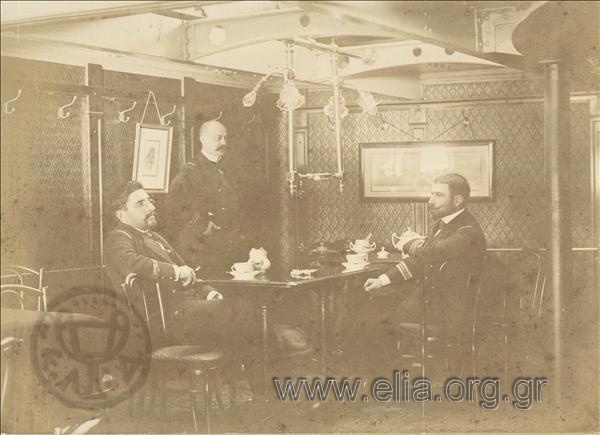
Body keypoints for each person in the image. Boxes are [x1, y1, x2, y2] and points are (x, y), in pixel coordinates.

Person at [363, 173, 486, 376]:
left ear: (457, 200)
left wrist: (407, 244)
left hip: (449, 309)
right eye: (431, 194)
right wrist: (382, 280)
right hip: (432, 300)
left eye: (438, 195)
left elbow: (430, 253)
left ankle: (379, 378)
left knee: (371, 315)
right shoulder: (441, 225)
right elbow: (420, 261)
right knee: (371, 301)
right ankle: (383, 374)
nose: (430, 201)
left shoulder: (468, 231)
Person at [104, 180, 225, 346]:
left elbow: (187, 270)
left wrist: (210, 293)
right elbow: (132, 262)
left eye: (149, 201)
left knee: (242, 312)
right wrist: (174, 272)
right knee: (241, 312)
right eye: (141, 203)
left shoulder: (155, 237)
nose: (151, 207)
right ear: (121, 215)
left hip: (185, 308)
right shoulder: (118, 237)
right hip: (165, 318)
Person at [165, 120, 248, 276]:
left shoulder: (229, 168)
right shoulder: (190, 171)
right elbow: (173, 205)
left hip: (229, 247)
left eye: (225, 138)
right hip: (202, 249)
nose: (224, 142)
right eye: (218, 138)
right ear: (203, 139)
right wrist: (203, 225)